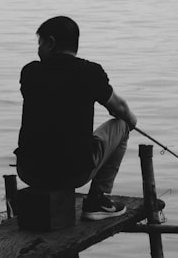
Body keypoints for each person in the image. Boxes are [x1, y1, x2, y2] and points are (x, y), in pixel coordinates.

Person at [15, 15, 138, 220]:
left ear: (51, 42)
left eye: (40, 43)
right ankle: (97, 199)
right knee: (122, 124)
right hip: (74, 172)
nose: (38, 50)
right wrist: (131, 121)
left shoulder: (30, 72)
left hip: (29, 171)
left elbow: (52, 102)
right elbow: (121, 108)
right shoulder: (91, 72)